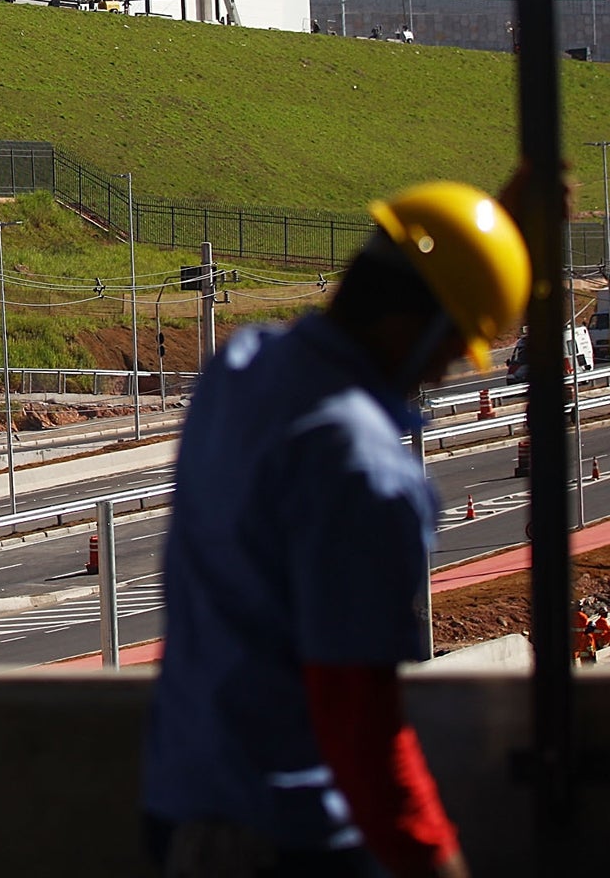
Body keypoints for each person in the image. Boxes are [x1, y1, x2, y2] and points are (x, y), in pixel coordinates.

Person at [142, 180, 532, 877]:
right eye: (452, 350)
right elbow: (360, 726)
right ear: (414, 327)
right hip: (289, 839)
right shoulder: (366, 471)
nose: (443, 374)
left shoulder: (240, 369)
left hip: (180, 809)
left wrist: (485, 237)